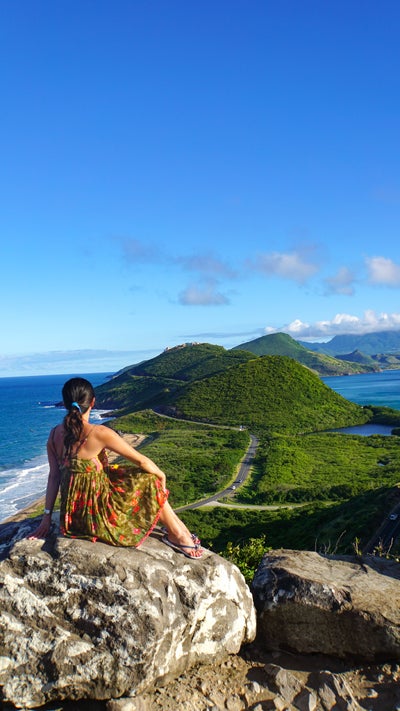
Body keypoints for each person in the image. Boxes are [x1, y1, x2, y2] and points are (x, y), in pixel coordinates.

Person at [29, 377, 203, 559]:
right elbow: (142, 462)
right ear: (93, 402)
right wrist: (161, 475)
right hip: (97, 515)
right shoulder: (99, 433)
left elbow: (54, 477)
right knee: (150, 478)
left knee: (120, 474)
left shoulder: (54, 434)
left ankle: (179, 529)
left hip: (73, 518)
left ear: (65, 403)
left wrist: (46, 517)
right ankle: (178, 534)